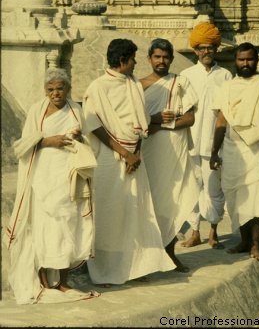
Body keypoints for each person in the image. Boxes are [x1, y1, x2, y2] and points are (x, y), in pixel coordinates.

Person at [82, 38, 175, 285]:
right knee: (110, 213)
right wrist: (125, 154)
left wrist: (136, 153)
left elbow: (140, 123)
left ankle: (134, 267)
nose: (136, 63)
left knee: (136, 213)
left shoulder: (133, 83)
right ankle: (104, 270)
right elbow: (95, 126)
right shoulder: (98, 87)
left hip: (135, 157)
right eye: (133, 59)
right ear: (122, 61)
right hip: (110, 159)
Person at [5, 68, 97, 304]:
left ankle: (63, 282)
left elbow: (88, 140)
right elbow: (22, 145)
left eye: (60, 88)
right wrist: (48, 140)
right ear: (45, 91)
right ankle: (46, 282)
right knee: (46, 228)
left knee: (69, 224)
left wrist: (78, 138)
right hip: (43, 177)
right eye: (51, 89)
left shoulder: (76, 109)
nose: (56, 93)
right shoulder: (38, 110)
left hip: (69, 176)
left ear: (67, 88)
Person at [209, 42, 259, 260]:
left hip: (258, 150)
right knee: (237, 198)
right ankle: (243, 242)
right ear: (235, 61)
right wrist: (214, 152)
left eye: (249, 59)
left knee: (258, 199)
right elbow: (221, 122)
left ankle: (255, 244)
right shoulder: (227, 88)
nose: (245, 63)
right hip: (233, 151)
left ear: (257, 60)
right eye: (241, 59)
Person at [141, 38, 199, 272]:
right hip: (148, 150)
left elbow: (189, 118)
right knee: (148, 203)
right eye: (157, 57)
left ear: (171, 59)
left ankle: (170, 254)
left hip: (174, 150)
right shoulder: (139, 85)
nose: (161, 61)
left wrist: (164, 124)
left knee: (173, 202)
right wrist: (153, 121)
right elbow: (135, 120)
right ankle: (148, 259)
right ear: (149, 59)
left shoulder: (180, 82)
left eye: (166, 57)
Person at [180, 23, 232, 249]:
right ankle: (194, 232)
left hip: (215, 143)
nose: (206, 52)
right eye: (201, 48)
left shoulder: (226, 75)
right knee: (191, 187)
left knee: (213, 189)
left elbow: (228, 111)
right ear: (195, 51)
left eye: (210, 47)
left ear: (216, 49)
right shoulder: (186, 75)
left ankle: (213, 232)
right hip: (190, 142)